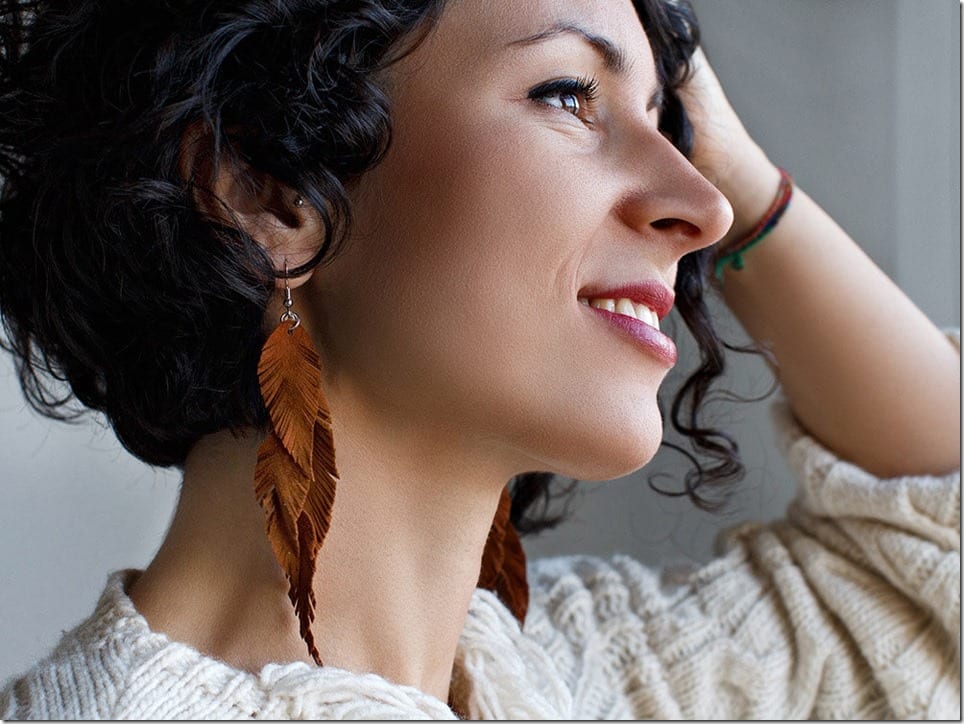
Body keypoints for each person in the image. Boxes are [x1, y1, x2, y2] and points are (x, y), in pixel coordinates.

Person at [0, 0, 959, 719]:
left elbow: (929, 584)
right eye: (568, 94)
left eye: (670, 126)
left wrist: (749, 182)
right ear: (268, 190)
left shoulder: (595, 680)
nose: (699, 205)